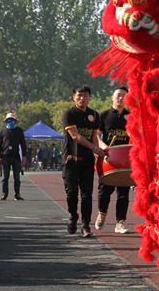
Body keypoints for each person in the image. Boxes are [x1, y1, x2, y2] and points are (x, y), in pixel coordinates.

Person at [62, 85, 106, 238]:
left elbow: (94, 136)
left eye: (85, 95)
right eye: (79, 95)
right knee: (72, 193)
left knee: (87, 195)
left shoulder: (94, 114)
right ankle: (73, 216)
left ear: (89, 97)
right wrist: (94, 148)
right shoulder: (69, 114)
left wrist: (99, 152)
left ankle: (86, 225)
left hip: (87, 161)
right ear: (74, 97)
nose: (82, 98)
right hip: (71, 160)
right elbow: (75, 136)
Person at [95, 87, 131, 234]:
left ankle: (120, 223)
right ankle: (102, 213)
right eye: (118, 95)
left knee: (123, 192)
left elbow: (136, 135)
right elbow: (96, 136)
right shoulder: (104, 115)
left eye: (124, 96)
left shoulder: (131, 116)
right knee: (104, 190)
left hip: (125, 159)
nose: (121, 98)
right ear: (112, 97)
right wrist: (104, 147)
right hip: (108, 158)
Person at [0, 113, 27, 201]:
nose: (10, 121)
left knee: (17, 177)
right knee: (5, 177)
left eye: (12, 120)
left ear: (15, 121)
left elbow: (23, 143)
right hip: (5, 157)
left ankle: (17, 194)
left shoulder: (19, 130)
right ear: (6, 121)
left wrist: (24, 156)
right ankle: (4, 194)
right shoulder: (3, 131)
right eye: (8, 120)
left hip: (16, 157)